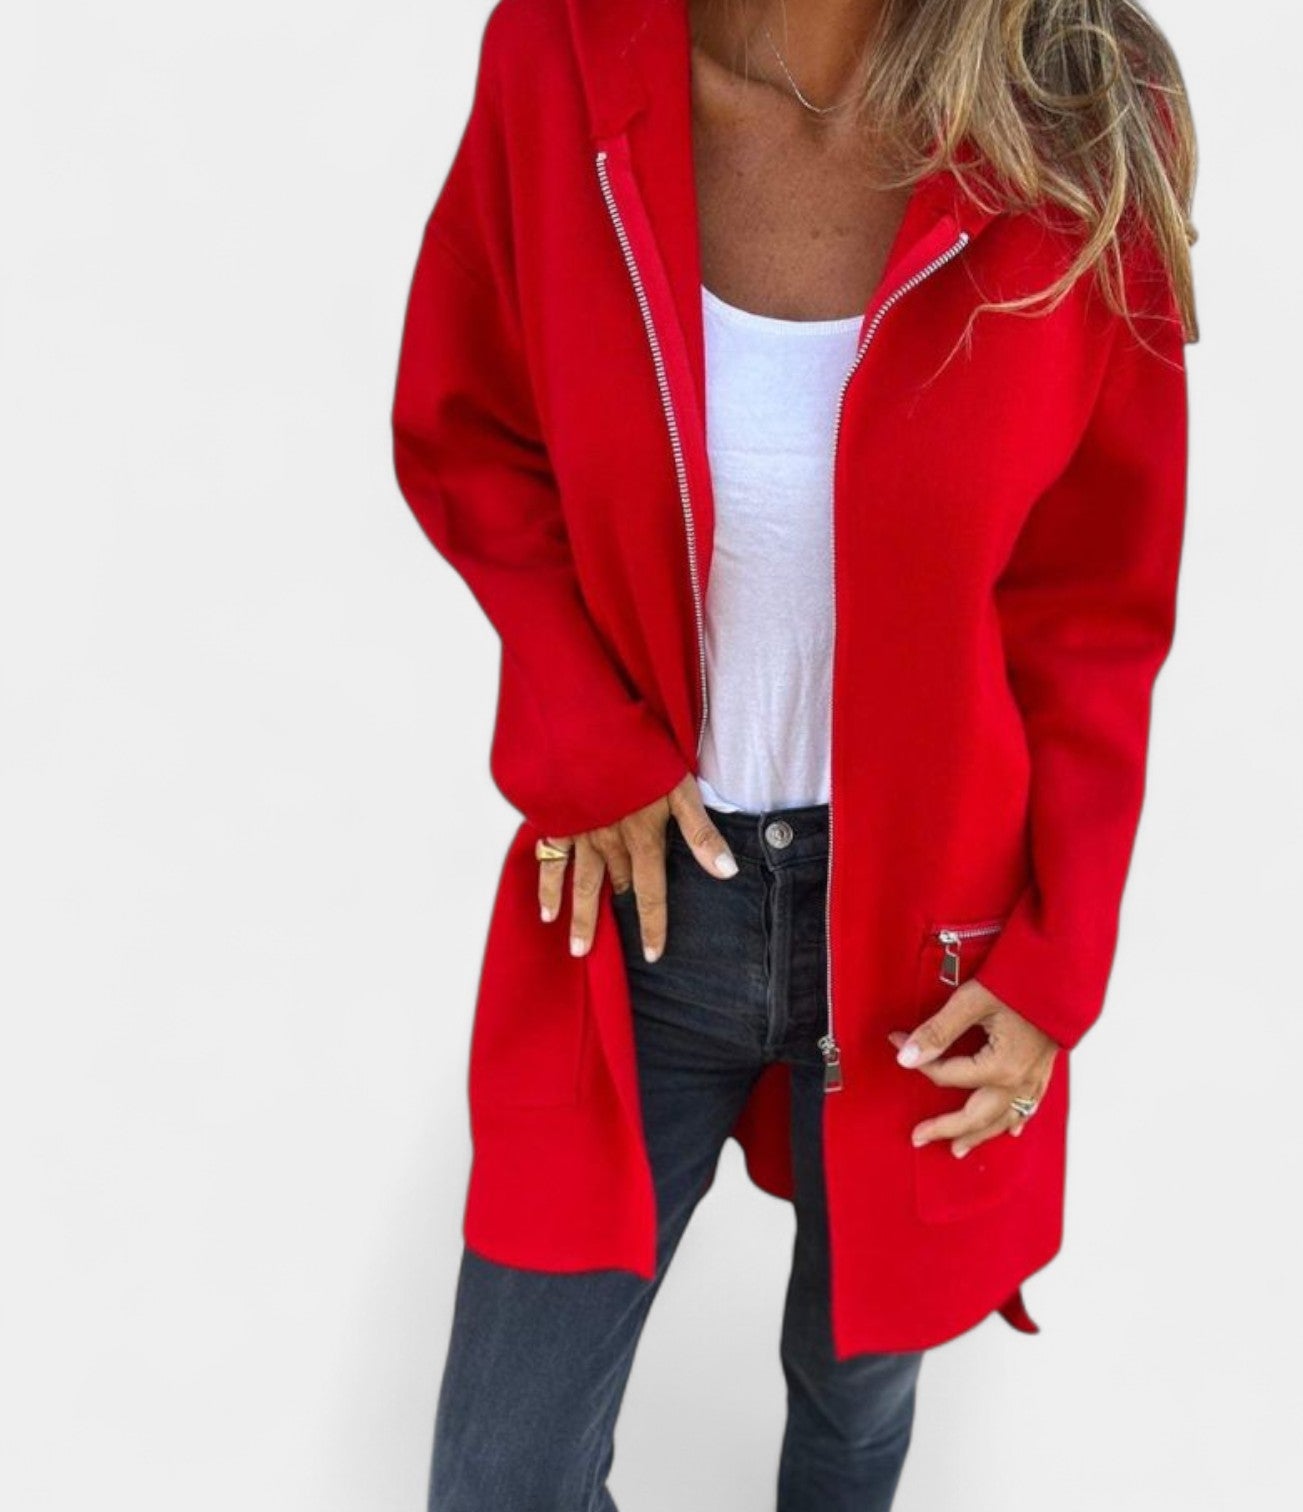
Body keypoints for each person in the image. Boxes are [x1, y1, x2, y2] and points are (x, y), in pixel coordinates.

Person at [390, 0, 1197, 1504]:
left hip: (931, 947)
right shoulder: (563, 54)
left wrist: (1055, 962)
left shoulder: (1081, 100)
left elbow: (1096, 601)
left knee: (853, 1401)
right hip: (635, 903)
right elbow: (469, 429)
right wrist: (588, 736)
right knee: (503, 1474)